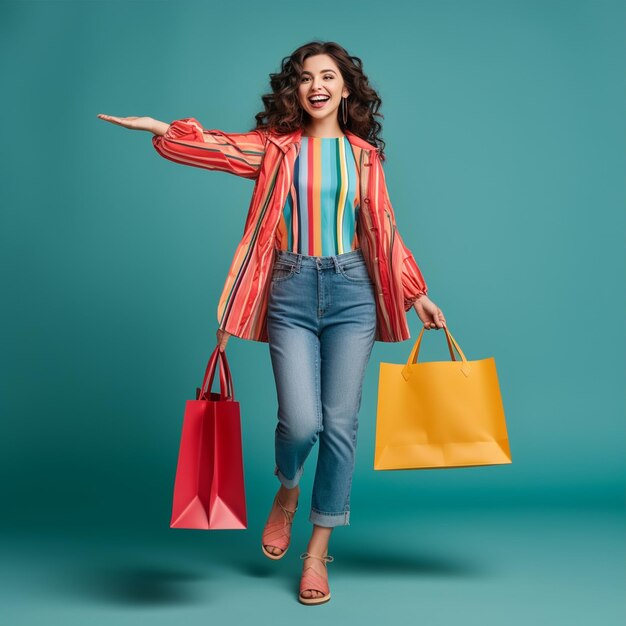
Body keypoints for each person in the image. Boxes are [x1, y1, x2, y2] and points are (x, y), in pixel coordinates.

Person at [97, 40, 446, 606]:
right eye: (307, 77)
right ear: (296, 88)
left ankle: (316, 554)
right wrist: (160, 126)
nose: (317, 86)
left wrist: (418, 293)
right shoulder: (275, 149)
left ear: (346, 88)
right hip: (290, 288)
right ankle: (287, 491)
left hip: (354, 291)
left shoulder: (364, 157)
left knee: (341, 425)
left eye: (328, 76)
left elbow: (383, 229)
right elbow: (214, 147)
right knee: (301, 422)